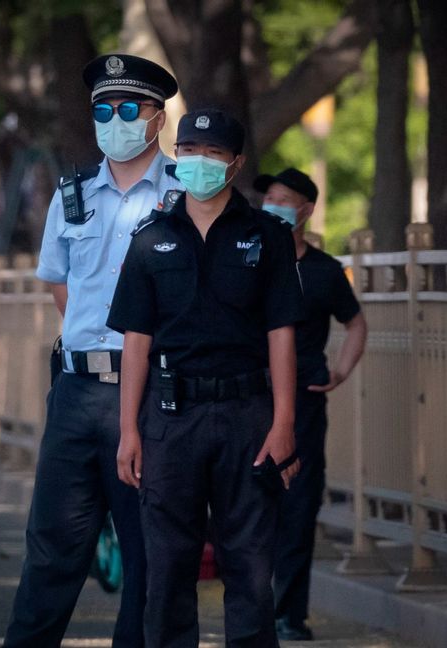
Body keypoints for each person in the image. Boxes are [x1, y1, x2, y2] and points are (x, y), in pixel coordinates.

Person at [3, 54, 182, 648]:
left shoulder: (186, 193)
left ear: (157, 118)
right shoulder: (72, 194)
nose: (115, 120)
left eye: (129, 108)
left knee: (148, 559)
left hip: (155, 394)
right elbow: (62, 286)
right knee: (52, 550)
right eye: (103, 110)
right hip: (78, 392)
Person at [107, 108, 304, 648]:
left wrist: (284, 422)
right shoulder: (150, 237)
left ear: (235, 164)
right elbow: (137, 341)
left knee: (250, 567)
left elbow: (281, 332)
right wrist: (129, 431)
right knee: (167, 566)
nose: (199, 161)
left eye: (213, 153)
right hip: (171, 419)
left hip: (248, 415)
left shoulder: (268, 237)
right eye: (189, 149)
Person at [255, 168, 367, 642]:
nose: (273, 205)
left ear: (305, 210)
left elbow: (356, 323)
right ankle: (253, 608)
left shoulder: (324, 271)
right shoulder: (250, 257)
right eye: (270, 198)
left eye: (284, 199)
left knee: (298, 508)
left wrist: (339, 371)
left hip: (304, 401)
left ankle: (289, 614)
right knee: (250, 506)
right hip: (251, 396)